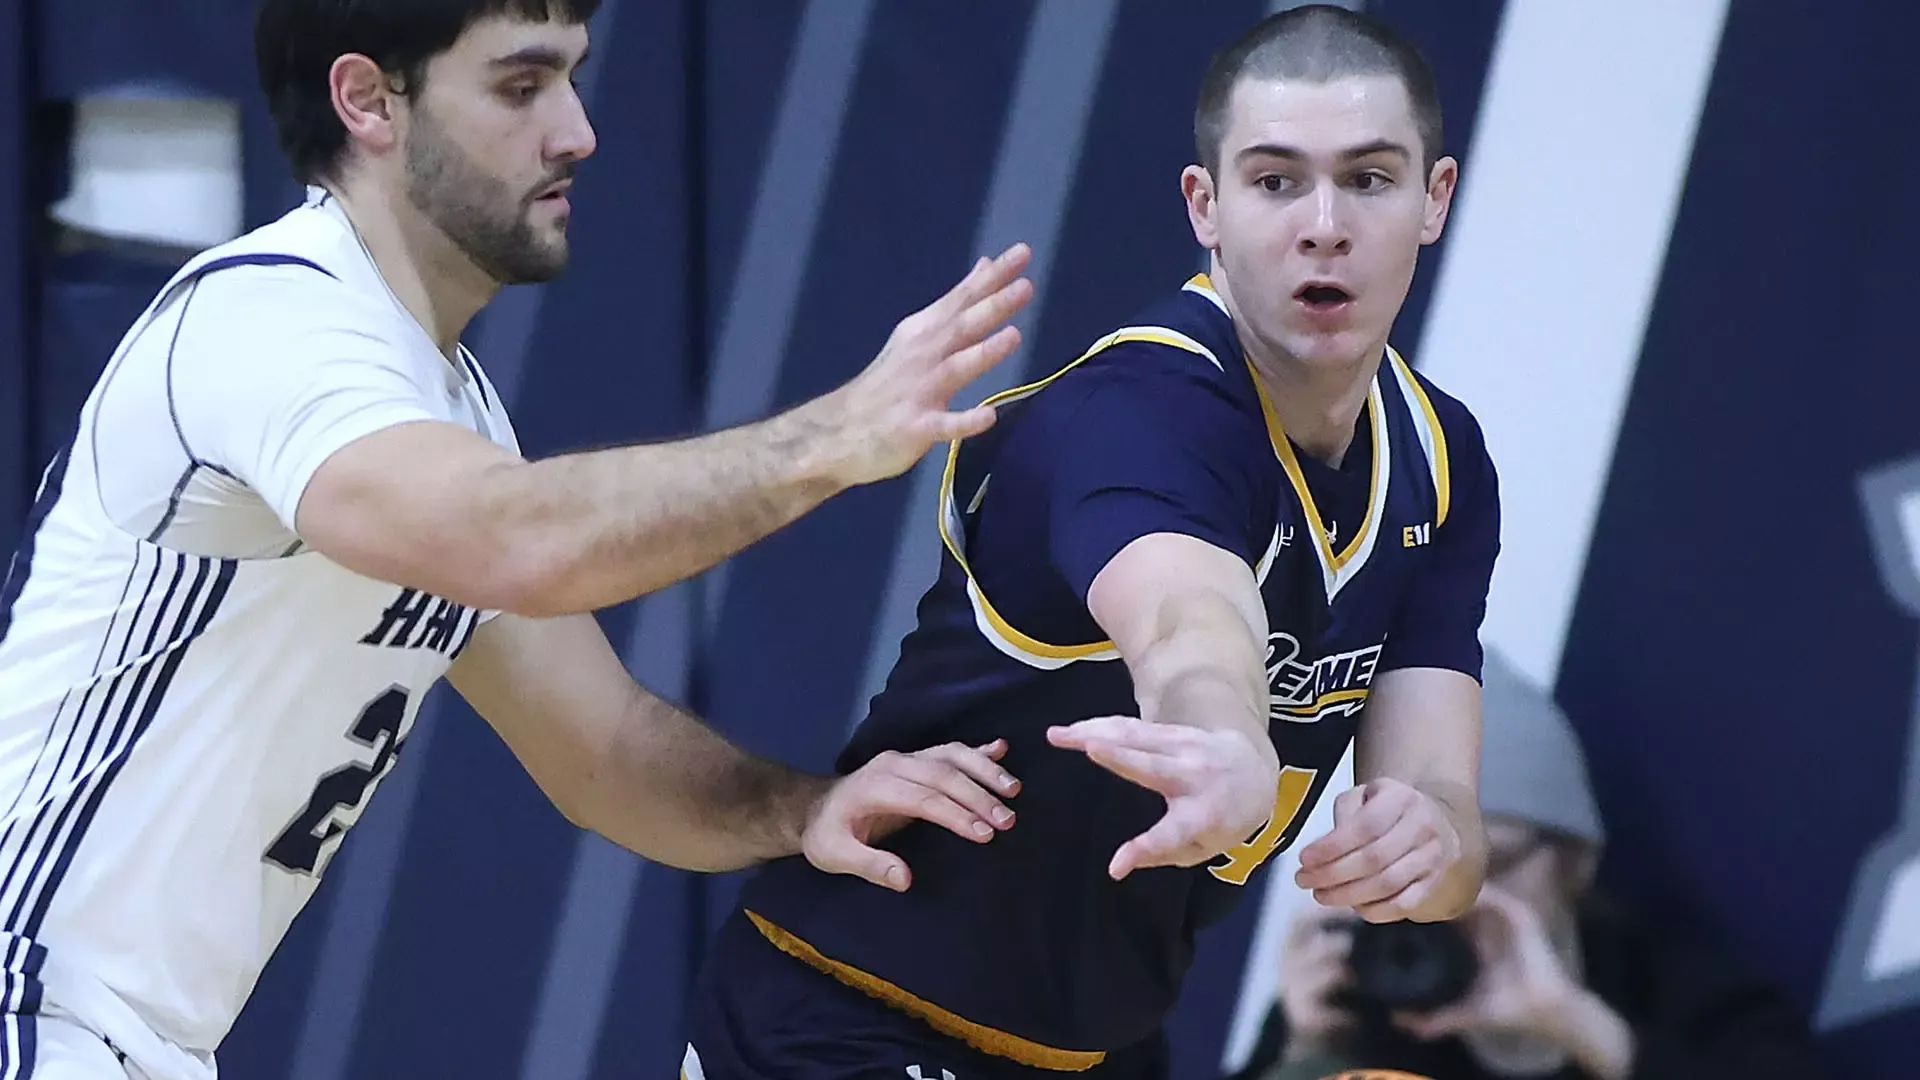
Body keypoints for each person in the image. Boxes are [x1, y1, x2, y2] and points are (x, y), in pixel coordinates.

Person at [0, 1, 1040, 1077]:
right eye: (520, 85)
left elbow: (607, 752)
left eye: (573, 80)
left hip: (137, 1039)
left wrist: (809, 808)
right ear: (368, 100)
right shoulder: (268, 320)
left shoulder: (450, 410)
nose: (578, 131)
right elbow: (514, 537)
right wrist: (833, 437)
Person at [682, 6, 1500, 1079]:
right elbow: (1186, 621)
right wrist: (1225, 734)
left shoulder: (1444, 461)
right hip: (851, 1011)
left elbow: (1442, 804)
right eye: (1275, 181)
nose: (1324, 225)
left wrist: (1430, 844)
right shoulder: (1134, 414)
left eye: (1370, 178)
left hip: (1099, 1046)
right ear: (1205, 207)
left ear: (1434, 200)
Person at [1232, 649, 1833, 1080]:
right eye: (1420, 865)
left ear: (1574, 860)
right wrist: (1302, 1052)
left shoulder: (1683, 997)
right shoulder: (1361, 1005)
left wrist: (1584, 1030)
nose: (1460, 896)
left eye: (1494, 862)